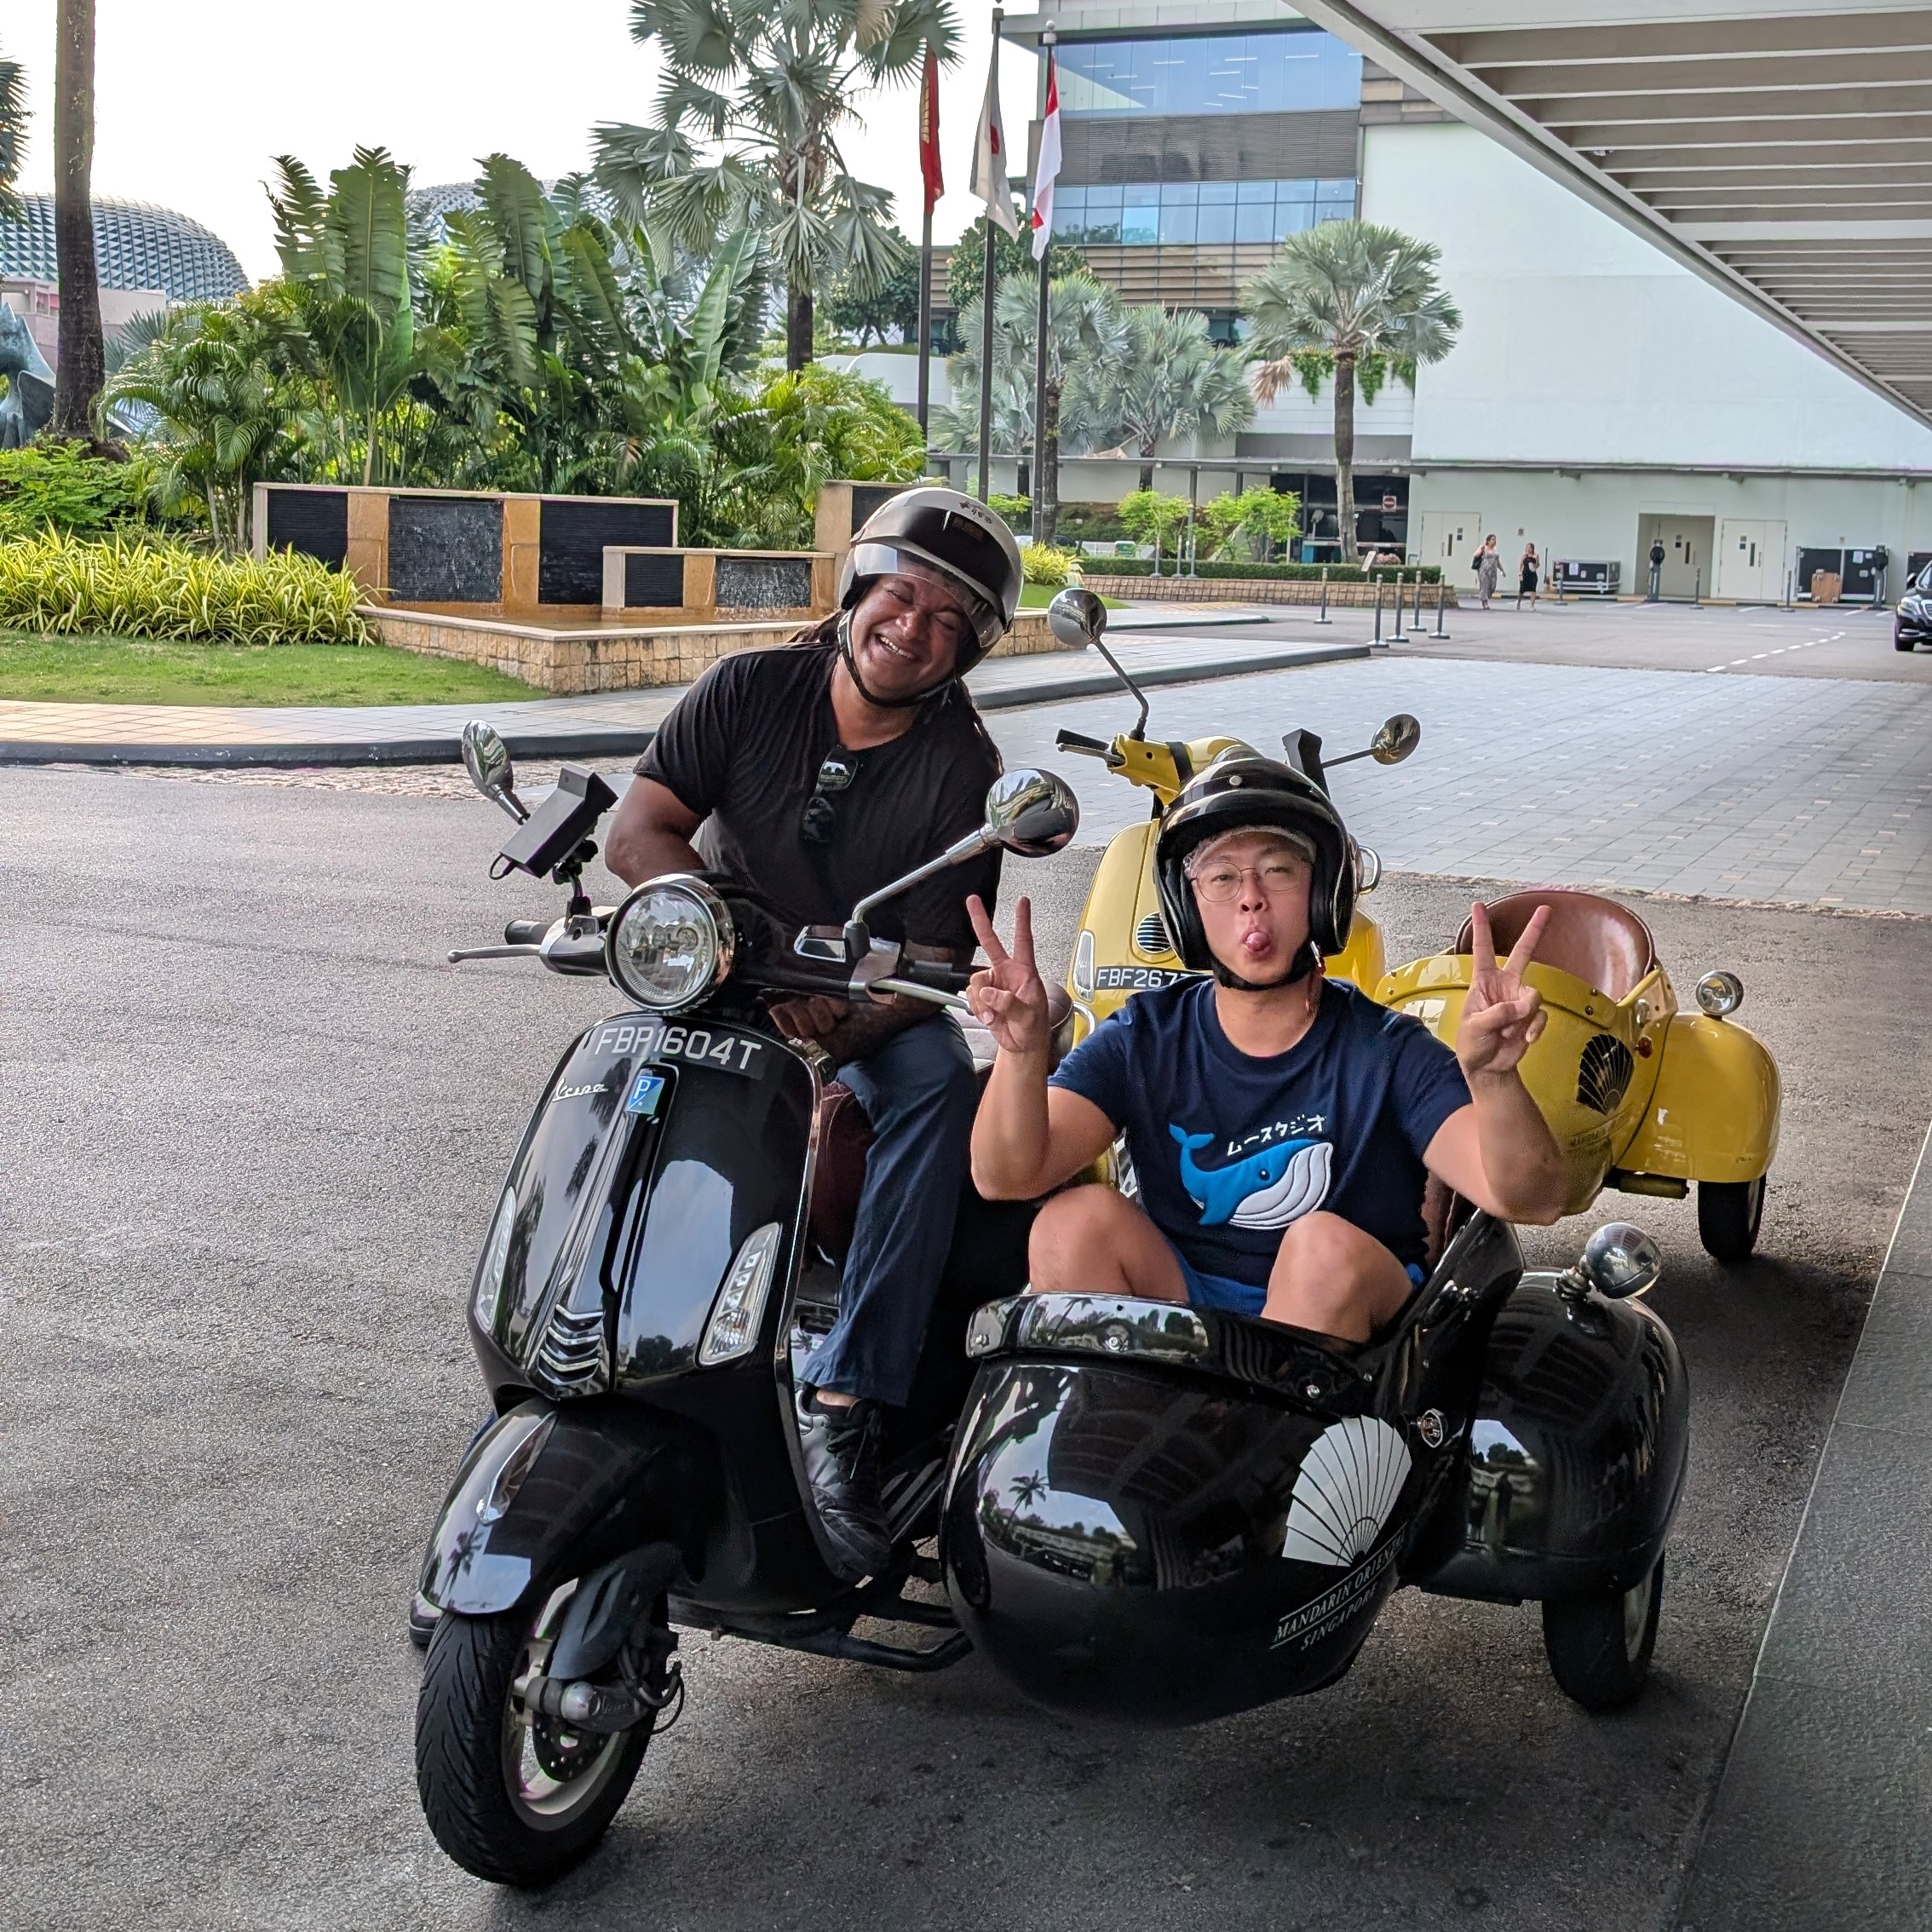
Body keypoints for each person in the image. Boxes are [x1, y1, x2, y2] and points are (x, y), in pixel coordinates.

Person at [603, 486, 1023, 1578]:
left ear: (966, 652)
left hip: (864, 1003)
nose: (913, 627)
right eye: (902, 595)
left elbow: (939, 963)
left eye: (948, 620)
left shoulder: (962, 770)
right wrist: (715, 928)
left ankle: (848, 1393)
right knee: (616, 1086)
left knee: (938, 1084)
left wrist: (844, 1022)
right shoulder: (750, 687)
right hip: (724, 972)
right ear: (858, 589)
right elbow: (637, 829)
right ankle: (602, 1335)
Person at [965, 756, 1567, 1343]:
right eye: (1222, 877)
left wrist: (1494, 1080)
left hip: (1351, 1335)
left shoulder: (1388, 1051)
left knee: (1317, 1250)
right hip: (1187, 1300)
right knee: (1069, 1225)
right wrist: (1022, 1052)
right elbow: (1007, 1176)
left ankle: (1251, 1441)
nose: (1250, 897)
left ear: (1322, 894)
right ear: (1188, 906)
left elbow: (1530, 1198)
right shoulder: (1148, 1035)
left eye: (1278, 870)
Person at [1475, 534, 1504, 610]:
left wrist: (1502, 570)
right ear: (1488, 540)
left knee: (1492, 587)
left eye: (1495, 539)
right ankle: (1485, 602)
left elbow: (1497, 562)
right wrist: (1480, 550)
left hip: (1493, 571)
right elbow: (1475, 555)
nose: (1495, 541)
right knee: (1484, 586)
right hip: (1484, 570)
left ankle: (1485, 596)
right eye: (1493, 539)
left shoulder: (1495, 550)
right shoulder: (1483, 547)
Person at [1516, 542, 1540, 611]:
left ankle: (1532, 605)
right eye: (1527, 547)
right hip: (1525, 574)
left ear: (1532, 548)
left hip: (1532, 575)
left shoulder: (1535, 555)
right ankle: (1518, 602)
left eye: (1530, 547)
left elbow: (1537, 566)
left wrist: (1537, 560)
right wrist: (1520, 572)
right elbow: (1521, 565)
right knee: (1522, 590)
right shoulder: (1524, 556)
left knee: (1533, 590)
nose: (1528, 549)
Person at [1647, 536, 1666, 602]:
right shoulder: (1658, 549)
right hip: (1656, 564)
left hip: (1657, 564)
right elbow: (1663, 556)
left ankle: (1654, 595)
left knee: (1655, 579)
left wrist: (1657, 561)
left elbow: (1652, 555)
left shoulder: (1658, 549)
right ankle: (1653, 595)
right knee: (1655, 579)